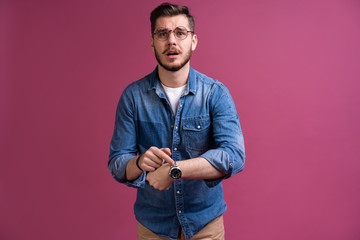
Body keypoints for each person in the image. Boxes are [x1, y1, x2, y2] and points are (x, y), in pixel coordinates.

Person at [108, 3, 245, 240]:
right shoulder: (132, 97)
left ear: (193, 41)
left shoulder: (215, 93)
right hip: (154, 227)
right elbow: (118, 163)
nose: (172, 41)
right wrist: (140, 162)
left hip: (205, 226)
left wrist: (174, 171)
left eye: (180, 33)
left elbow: (234, 156)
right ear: (152, 42)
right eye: (163, 34)